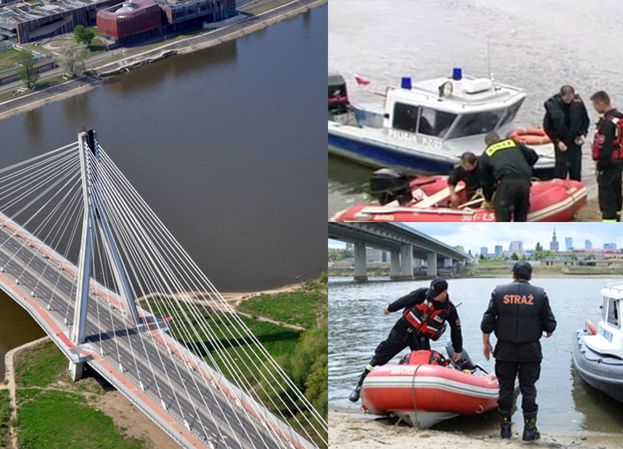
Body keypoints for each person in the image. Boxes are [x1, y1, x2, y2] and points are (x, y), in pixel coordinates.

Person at [349, 278, 463, 402]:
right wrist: (390, 308)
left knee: (424, 366)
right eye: (432, 293)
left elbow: (456, 330)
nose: (432, 296)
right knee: (380, 356)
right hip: (402, 330)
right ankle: (359, 387)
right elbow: (405, 300)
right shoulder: (422, 294)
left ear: (445, 292)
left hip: (421, 338)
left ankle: (420, 396)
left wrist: (458, 349)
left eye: (435, 295)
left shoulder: (450, 309)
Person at [480, 262, 557, 442]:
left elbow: (487, 322)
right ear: (530, 276)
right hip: (530, 351)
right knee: (528, 388)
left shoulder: (499, 292)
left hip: (505, 350)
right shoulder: (539, 294)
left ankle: (505, 430)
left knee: (505, 388)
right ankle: (529, 430)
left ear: (513, 274)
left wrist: (486, 343)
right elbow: (550, 325)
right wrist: (546, 328)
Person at [480, 132, 539, 222]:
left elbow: (486, 181)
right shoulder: (512, 143)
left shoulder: (487, 153)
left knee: (502, 214)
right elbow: (533, 156)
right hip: (524, 181)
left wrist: (488, 199)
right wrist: (525, 168)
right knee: (521, 214)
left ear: (487, 144)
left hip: (507, 182)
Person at [543, 85, 590, 181]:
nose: (569, 100)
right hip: (561, 143)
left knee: (576, 173)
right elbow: (547, 127)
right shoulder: (553, 106)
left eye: (570, 97)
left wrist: (583, 134)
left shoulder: (578, 104)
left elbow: (585, 121)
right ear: (561, 96)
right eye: (566, 98)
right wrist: (557, 141)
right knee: (560, 173)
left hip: (575, 143)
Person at [590, 90, 623, 222]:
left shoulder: (608, 123)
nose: (595, 108)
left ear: (602, 103)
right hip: (619, 163)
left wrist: (600, 166)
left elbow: (606, 147)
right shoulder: (619, 118)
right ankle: (617, 221)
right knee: (616, 195)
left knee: (607, 200)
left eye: (595, 105)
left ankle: (608, 226)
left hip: (608, 165)